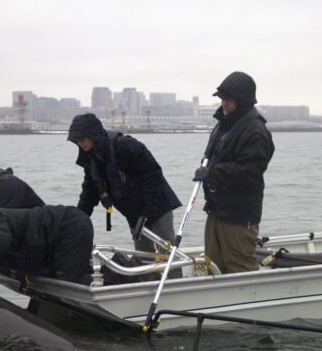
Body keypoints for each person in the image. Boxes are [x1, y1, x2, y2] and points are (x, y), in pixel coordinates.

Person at [193, 71, 274, 274]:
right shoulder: (224, 124)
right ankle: (214, 304)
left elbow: (250, 171)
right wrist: (206, 170)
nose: (224, 104)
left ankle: (250, 303)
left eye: (229, 100)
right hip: (217, 210)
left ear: (243, 100)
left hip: (239, 216)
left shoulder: (255, 131)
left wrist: (211, 173)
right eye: (222, 99)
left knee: (239, 266)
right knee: (211, 265)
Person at [67, 113, 182, 253]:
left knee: (167, 252)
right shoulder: (91, 161)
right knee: (143, 256)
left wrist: (147, 211)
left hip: (158, 206)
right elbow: (89, 194)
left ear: (93, 134)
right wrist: (78, 220)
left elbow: (153, 174)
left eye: (83, 138)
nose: (80, 143)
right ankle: (148, 276)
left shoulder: (125, 145)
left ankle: (173, 275)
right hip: (133, 213)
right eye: (77, 141)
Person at [0, 206, 94, 286]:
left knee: (71, 284)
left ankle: (112, 281)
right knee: (65, 278)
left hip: (69, 226)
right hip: (59, 238)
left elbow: (0, 241)